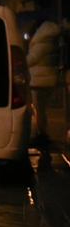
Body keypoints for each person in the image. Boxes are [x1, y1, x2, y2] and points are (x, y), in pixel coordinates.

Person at [27, 18, 64, 146]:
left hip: (38, 80)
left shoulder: (41, 44)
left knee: (38, 109)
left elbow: (31, 60)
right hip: (49, 79)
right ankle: (41, 133)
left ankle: (41, 135)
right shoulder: (52, 43)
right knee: (41, 108)